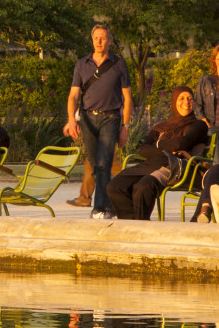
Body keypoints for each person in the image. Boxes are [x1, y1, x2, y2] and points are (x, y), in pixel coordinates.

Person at [106, 87, 209, 220]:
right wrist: (166, 149)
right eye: (181, 98)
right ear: (174, 101)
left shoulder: (198, 125)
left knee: (143, 187)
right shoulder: (161, 127)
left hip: (176, 167)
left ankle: (140, 225)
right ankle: (132, 225)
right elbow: (143, 150)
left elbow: (181, 143)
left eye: (190, 98)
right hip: (151, 164)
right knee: (114, 186)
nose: (186, 102)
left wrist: (157, 145)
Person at [64, 25, 132, 220]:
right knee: (95, 165)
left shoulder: (119, 64)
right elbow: (73, 95)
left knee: (104, 164)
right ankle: (110, 205)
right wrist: (71, 120)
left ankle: (100, 208)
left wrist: (125, 127)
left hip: (110, 118)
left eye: (103, 38)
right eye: (96, 38)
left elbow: (127, 98)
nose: (99, 41)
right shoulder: (82, 65)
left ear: (110, 40)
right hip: (87, 119)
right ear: (92, 40)